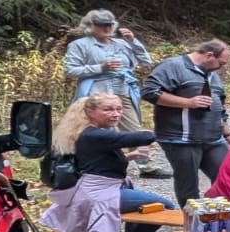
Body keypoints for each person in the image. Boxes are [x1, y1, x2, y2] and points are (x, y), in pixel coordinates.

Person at [42, 94, 173, 232]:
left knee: (144, 205)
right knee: (166, 207)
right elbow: (134, 137)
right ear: (90, 112)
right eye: (108, 109)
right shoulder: (94, 134)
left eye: (119, 109)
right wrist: (167, 132)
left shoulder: (89, 133)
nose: (116, 114)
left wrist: (131, 156)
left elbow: (95, 164)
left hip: (99, 188)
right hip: (98, 194)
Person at [63, 9, 160, 176]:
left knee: (133, 128)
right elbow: (70, 70)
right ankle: (99, 165)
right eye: (101, 25)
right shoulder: (79, 45)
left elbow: (145, 61)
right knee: (99, 131)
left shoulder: (121, 43)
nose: (106, 28)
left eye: (109, 25)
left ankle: (145, 166)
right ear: (90, 26)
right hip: (95, 93)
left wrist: (132, 41)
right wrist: (100, 68)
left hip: (123, 90)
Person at [141, 39, 230, 210]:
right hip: (181, 138)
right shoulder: (173, 66)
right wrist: (188, 102)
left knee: (227, 176)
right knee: (189, 184)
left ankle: (222, 217)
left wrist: (228, 135)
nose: (221, 67)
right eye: (221, 63)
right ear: (209, 55)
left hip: (213, 139)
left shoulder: (212, 74)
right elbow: (149, 92)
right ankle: (193, 225)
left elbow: (220, 107)